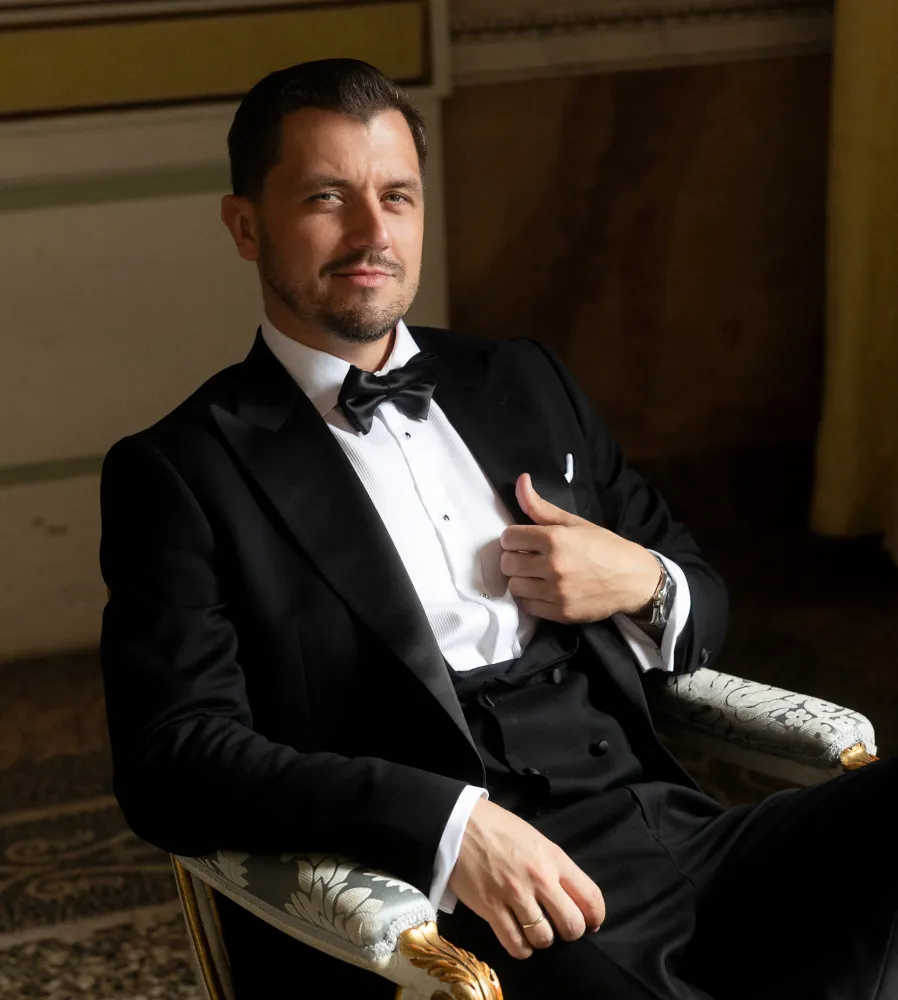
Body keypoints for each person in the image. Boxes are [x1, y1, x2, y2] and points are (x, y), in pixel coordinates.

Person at [99, 59, 896, 1000]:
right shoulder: (183, 470)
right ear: (245, 226)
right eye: (327, 197)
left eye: (397, 196)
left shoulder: (520, 381)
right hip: (485, 902)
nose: (372, 232)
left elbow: (703, 594)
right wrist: (447, 826)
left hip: (675, 830)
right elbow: (175, 756)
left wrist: (643, 580)